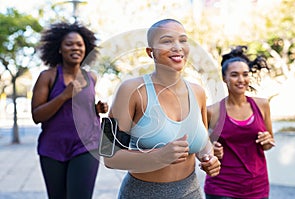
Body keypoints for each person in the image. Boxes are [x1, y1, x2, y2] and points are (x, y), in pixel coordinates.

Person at [102, 18, 221, 199]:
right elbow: (108, 156)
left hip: (191, 192)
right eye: (167, 41)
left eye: (183, 40)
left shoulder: (198, 92)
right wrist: (157, 157)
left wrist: (209, 158)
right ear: (151, 52)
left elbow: (202, 142)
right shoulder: (129, 90)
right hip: (142, 194)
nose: (177, 46)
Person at [31, 22, 108, 199]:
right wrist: (64, 96)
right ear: (59, 49)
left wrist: (97, 109)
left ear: (86, 49)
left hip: (86, 146)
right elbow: (37, 116)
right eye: (69, 44)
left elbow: (83, 110)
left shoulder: (91, 77)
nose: (75, 48)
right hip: (53, 148)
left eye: (79, 44)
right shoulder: (48, 76)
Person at [204, 45, 275, 199]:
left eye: (245, 74)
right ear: (224, 78)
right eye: (235, 75)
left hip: (257, 186)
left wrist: (267, 140)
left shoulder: (262, 105)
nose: (241, 80)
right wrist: (211, 150)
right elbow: (201, 149)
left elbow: (268, 144)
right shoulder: (212, 111)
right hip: (222, 188)